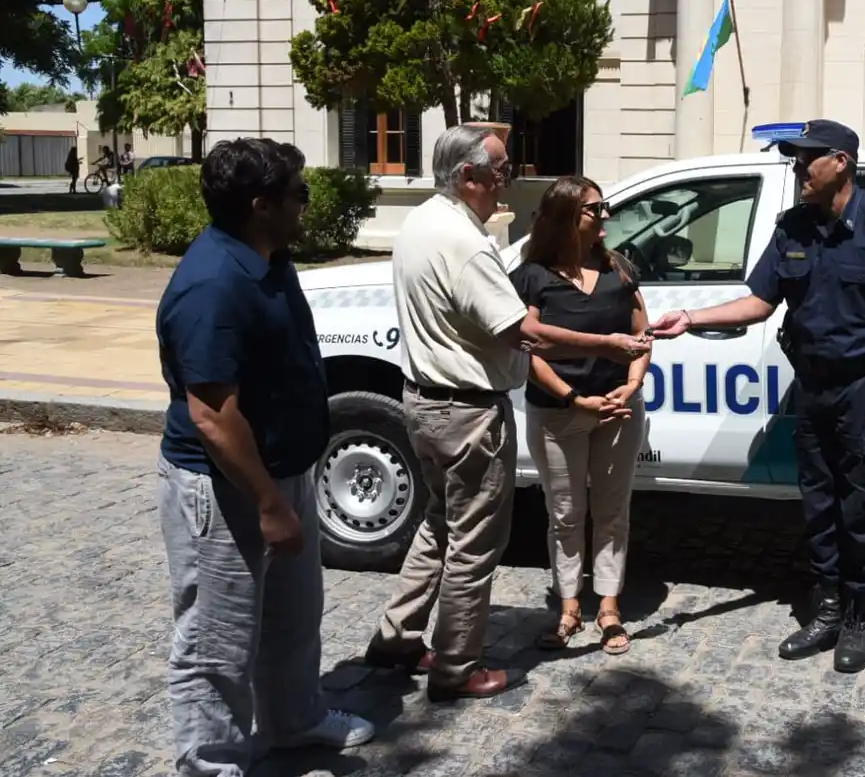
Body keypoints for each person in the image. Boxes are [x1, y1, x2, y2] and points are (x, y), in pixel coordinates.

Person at [361, 124, 650, 701]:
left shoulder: (423, 220)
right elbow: (527, 334)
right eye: (499, 171)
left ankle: (396, 638)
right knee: (473, 545)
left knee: (440, 525)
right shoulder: (464, 243)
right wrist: (610, 345)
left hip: (425, 401)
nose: (506, 180)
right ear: (467, 177)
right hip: (465, 412)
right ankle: (456, 668)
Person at [650, 119, 865, 673]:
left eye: (808, 158)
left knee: (859, 507)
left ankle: (858, 615)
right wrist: (689, 317)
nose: (798, 168)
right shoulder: (793, 228)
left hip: (864, 388)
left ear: (841, 162)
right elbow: (759, 303)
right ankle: (826, 609)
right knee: (818, 505)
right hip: (812, 387)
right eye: (795, 159)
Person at [155, 138, 374, 776]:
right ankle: (210, 763)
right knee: (214, 644)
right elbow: (213, 416)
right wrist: (270, 503)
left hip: (281, 473)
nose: (307, 205)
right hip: (226, 489)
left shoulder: (268, 259)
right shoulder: (212, 285)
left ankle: (293, 720)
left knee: (293, 617)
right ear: (260, 206)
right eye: (298, 195)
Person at [510, 176, 651, 655]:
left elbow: (641, 336)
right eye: (596, 208)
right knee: (566, 515)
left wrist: (630, 388)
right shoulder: (532, 276)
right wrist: (573, 397)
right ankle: (569, 606)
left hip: (618, 410)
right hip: (558, 411)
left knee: (613, 512)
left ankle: (609, 606)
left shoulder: (620, 269)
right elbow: (527, 347)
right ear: (568, 217)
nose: (606, 216)